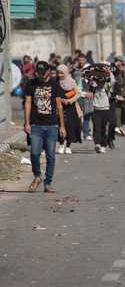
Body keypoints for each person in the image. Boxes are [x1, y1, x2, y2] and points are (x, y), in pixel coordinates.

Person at [23, 61, 66, 193]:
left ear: (48, 71)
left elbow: (59, 105)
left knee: (50, 155)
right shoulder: (31, 83)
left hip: (52, 125)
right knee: (34, 153)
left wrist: (62, 126)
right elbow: (28, 103)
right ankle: (37, 176)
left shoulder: (54, 83)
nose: (40, 75)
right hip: (36, 124)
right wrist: (27, 122)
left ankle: (48, 183)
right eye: (38, 73)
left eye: (43, 72)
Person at [55, 65, 82, 154]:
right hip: (59, 107)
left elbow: (78, 94)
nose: (60, 75)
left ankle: (68, 146)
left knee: (70, 126)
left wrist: (69, 101)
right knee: (60, 125)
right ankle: (62, 144)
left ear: (66, 72)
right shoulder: (55, 81)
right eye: (58, 73)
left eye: (62, 73)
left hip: (70, 108)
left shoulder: (71, 82)